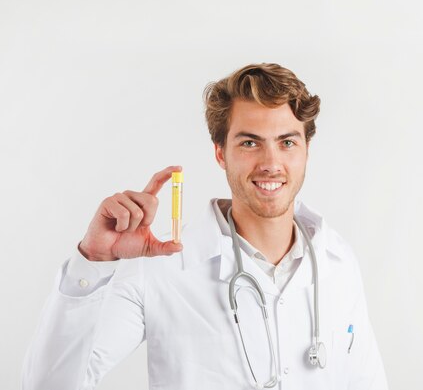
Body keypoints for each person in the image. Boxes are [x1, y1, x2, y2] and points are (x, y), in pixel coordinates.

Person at [22, 63, 388, 390]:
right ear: (220, 153)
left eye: (287, 142)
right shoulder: (161, 267)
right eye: (249, 143)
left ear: (306, 148)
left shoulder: (336, 260)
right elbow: (46, 385)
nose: (270, 163)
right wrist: (93, 259)